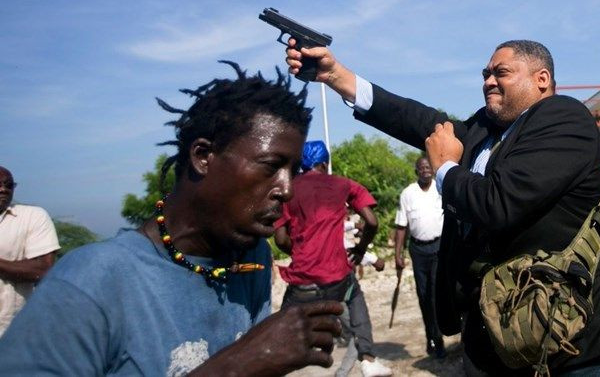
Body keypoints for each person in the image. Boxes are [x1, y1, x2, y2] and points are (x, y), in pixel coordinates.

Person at [287, 38, 600, 376]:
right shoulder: (485, 128)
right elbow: (419, 120)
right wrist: (337, 77)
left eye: (501, 72)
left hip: (572, 341)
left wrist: (446, 167)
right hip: (500, 337)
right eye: (485, 74)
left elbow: (497, 204)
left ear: (541, 79)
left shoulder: (564, 119)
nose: (488, 81)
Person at [0, 63, 343, 375]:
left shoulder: (252, 257)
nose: (287, 189)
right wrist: (235, 367)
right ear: (203, 156)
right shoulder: (90, 283)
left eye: (292, 171)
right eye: (271, 166)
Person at [274, 140, 393, 377]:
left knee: (281, 328)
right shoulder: (342, 184)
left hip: (302, 281)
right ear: (324, 163)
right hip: (337, 279)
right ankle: (368, 359)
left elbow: (280, 239)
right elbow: (371, 221)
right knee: (355, 298)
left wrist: (299, 253)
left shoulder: (288, 190)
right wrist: (360, 249)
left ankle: (272, 363)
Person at [393, 155, 445, 358]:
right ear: (416, 172)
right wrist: (398, 254)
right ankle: (430, 336)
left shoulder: (440, 188)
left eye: (428, 167)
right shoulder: (408, 194)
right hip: (418, 250)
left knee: (434, 293)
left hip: (439, 246)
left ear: (432, 169)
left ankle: (439, 338)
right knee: (423, 296)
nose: (425, 170)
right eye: (421, 168)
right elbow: (401, 226)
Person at [0, 166, 59, 337]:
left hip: (11, 333)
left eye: (9, 185)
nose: (3, 189)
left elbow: (42, 269)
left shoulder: (32, 217)